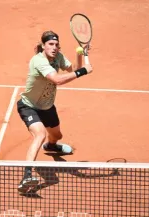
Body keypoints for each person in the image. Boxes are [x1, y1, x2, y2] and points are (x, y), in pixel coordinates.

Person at [17, 30, 93, 193]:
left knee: (57, 136)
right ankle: (27, 176)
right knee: (39, 134)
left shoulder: (58, 57)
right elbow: (57, 79)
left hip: (47, 106)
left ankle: (51, 146)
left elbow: (73, 69)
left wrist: (81, 54)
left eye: (56, 44)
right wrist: (83, 71)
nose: (54, 47)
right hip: (29, 106)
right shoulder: (38, 61)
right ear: (43, 46)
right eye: (50, 44)